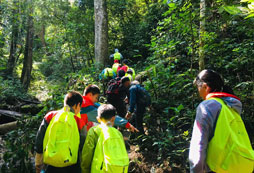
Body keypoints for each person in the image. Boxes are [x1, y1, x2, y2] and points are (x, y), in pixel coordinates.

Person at [189, 69, 254, 173]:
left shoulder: (207, 106)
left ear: (205, 86)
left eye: (198, 87)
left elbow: (199, 144)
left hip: (219, 168)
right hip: (243, 166)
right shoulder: (231, 107)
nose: (198, 91)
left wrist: (196, 170)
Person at [35, 91, 84, 173]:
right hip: (71, 164)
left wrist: (38, 160)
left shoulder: (50, 116)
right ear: (77, 105)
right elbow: (83, 144)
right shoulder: (78, 121)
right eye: (80, 107)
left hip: (50, 162)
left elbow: (40, 138)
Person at [81, 104, 129, 173]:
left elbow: (87, 154)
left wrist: (84, 169)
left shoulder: (94, 131)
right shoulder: (118, 133)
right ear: (113, 118)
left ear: (98, 119)